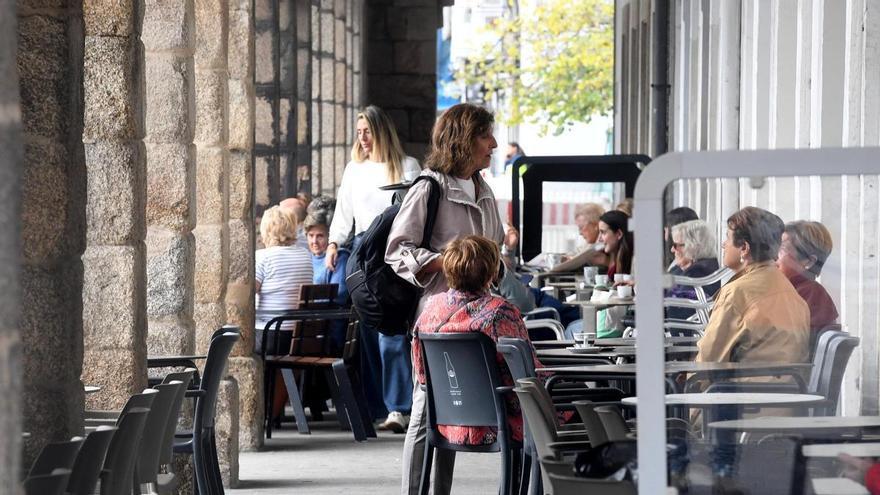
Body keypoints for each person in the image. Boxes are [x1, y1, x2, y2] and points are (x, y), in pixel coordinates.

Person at [385, 103, 504, 495]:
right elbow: (397, 250)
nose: (494, 144)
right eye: (486, 136)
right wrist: (449, 262)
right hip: (438, 317)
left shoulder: (483, 189)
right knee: (425, 409)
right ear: (466, 139)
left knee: (452, 410)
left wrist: (494, 267)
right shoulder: (429, 187)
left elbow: (496, 246)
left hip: (480, 315)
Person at [325, 105, 422, 433]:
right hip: (363, 251)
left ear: (381, 132)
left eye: (367, 131)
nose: (362, 138)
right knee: (368, 331)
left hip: (394, 250)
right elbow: (343, 211)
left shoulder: (407, 166)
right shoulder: (354, 169)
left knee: (391, 331)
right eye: (358, 132)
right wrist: (333, 244)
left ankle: (399, 406)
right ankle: (380, 404)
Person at [411, 235, 541, 446]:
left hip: (449, 422)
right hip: (504, 421)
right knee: (578, 403)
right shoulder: (500, 312)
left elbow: (422, 375)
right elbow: (528, 372)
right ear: (491, 272)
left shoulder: (429, 310)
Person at [696, 207, 810, 367]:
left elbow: (708, 361)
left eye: (727, 238)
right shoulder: (791, 291)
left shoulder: (736, 293)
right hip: (787, 388)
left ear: (744, 248)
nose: (724, 245)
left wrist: (687, 383)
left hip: (742, 388)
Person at [254, 206, 314, 418]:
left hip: (272, 335)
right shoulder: (305, 256)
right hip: (300, 337)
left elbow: (248, 294)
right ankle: (272, 412)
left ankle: (259, 412)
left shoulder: (262, 257)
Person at [302, 196, 349, 352]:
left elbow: (340, 295)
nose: (314, 241)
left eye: (320, 236)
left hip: (330, 334)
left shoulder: (339, 257)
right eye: (310, 235)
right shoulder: (305, 258)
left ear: (330, 236)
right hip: (308, 328)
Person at [777, 220, 839, 331]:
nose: (771, 256)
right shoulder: (786, 289)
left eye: (780, 249)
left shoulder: (811, 295)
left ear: (808, 261)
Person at [666, 219, 720, 320]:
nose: (672, 249)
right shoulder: (687, 267)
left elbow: (679, 311)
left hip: (686, 331)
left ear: (694, 246)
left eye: (676, 245)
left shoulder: (699, 271)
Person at [549, 202, 609, 272]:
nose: (580, 233)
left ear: (596, 225)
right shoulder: (589, 245)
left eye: (581, 227)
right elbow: (577, 252)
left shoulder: (608, 246)